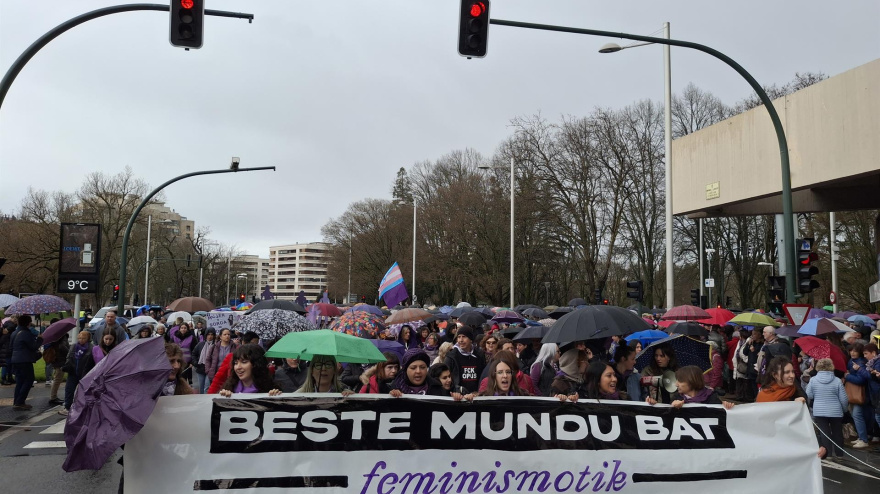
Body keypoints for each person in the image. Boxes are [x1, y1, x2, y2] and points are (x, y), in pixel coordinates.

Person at [805, 358, 848, 460]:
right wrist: (844, 409)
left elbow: (809, 395)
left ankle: (828, 454)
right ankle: (839, 454)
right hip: (835, 411)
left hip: (819, 410)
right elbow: (844, 398)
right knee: (837, 432)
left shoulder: (813, 380)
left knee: (824, 433)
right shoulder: (837, 380)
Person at [217, 345, 282, 397]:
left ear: (256, 364)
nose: (238, 367)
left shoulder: (270, 389)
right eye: (235, 363)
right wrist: (223, 398)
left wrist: (276, 398)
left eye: (244, 362)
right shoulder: (229, 388)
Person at [10, 315, 42, 410]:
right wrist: (40, 339)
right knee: (29, 380)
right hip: (24, 359)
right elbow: (33, 346)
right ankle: (20, 402)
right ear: (28, 323)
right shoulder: (26, 333)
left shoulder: (14, 332)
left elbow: (11, 347)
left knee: (20, 381)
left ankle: (17, 401)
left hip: (15, 359)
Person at [60, 331, 94, 416]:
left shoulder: (91, 348)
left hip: (85, 373)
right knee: (69, 390)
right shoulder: (74, 346)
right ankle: (68, 407)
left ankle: (85, 407)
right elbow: (69, 356)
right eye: (79, 338)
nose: (81, 340)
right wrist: (67, 366)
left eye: (83, 338)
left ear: (88, 339)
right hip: (73, 372)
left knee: (84, 391)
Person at [845, 342, 872, 448]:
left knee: (857, 415)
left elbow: (861, 380)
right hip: (856, 393)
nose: (852, 353)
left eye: (855, 351)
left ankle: (863, 439)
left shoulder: (860, 363)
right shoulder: (853, 361)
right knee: (858, 415)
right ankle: (862, 437)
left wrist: (847, 376)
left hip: (860, 393)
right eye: (851, 350)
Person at [443, 326, 485, 393]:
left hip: (476, 397)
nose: (461, 340)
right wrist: (457, 390)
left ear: (471, 339)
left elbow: (484, 376)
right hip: (458, 397)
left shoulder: (479, 355)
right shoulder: (451, 356)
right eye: (459, 337)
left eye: (464, 337)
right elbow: (443, 377)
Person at [669, 365, 734, 409]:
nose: (676, 384)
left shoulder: (711, 398)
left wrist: (726, 407)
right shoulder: (676, 397)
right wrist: (672, 408)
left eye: (680, 381)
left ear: (691, 381)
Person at [47, 333, 70, 405]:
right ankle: (53, 397)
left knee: (57, 378)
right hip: (61, 360)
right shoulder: (62, 336)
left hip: (56, 359)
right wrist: (69, 352)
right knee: (57, 379)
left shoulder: (54, 336)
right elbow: (62, 347)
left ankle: (53, 397)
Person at [191, 329, 215, 394]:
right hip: (200, 368)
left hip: (210, 369)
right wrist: (195, 362)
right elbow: (194, 354)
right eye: (208, 334)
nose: (210, 336)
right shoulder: (200, 344)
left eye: (212, 335)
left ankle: (206, 401)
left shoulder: (215, 345)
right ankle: (202, 400)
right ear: (206, 335)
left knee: (207, 387)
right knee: (201, 387)